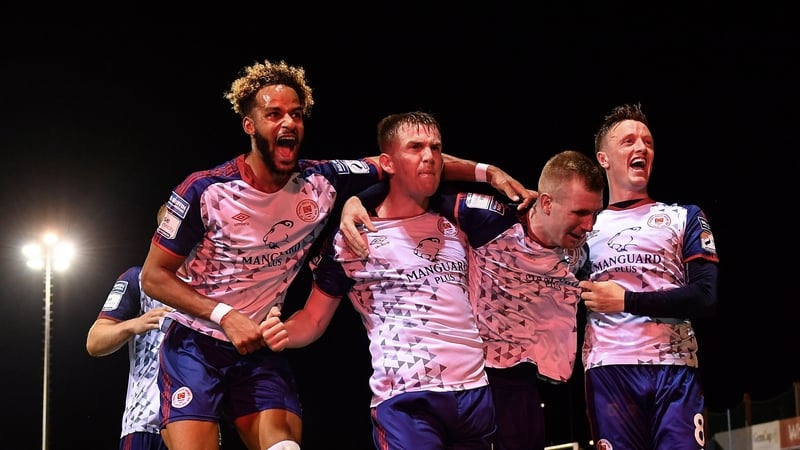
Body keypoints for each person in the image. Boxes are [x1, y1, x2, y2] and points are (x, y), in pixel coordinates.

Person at [140, 59, 531, 450]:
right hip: (195, 342)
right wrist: (225, 316)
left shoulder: (322, 182)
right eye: (273, 114)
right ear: (249, 125)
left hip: (260, 343)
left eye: (296, 114)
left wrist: (487, 172)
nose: (288, 123)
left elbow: (406, 166)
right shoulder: (204, 191)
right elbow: (153, 277)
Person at [260, 111, 499, 449]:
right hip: (406, 402)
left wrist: (491, 174)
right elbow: (313, 318)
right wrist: (283, 332)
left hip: (475, 396)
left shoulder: (458, 224)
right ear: (387, 162)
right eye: (415, 147)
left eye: (435, 148)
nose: (429, 156)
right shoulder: (353, 238)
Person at [340, 149, 605, 450]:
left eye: (594, 213)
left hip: (529, 384)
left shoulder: (583, 251)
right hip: (480, 378)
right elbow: (412, 177)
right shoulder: (489, 219)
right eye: (580, 213)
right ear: (546, 202)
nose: (589, 225)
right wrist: (361, 199)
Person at [578, 102, 719, 450]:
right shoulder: (582, 227)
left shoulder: (684, 216)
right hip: (610, 370)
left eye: (648, 142)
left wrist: (625, 300)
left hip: (675, 369)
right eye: (628, 141)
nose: (641, 147)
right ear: (603, 159)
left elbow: (705, 297)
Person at [86, 204, 172, 450]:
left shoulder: (212, 286)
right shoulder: (138, 280)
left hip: (197, 419)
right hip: (144, 424)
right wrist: (134, 324)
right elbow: (94, 341)